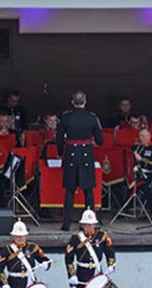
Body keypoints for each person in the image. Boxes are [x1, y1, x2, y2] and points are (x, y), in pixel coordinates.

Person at [56, 90, 104, 231]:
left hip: (70, 153)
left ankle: (66, 224)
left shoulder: (66, 117)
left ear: (72, 102)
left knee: (69, 190)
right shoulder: (92, 117)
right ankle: (90, 223)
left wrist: (60, 153)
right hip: (86, 154)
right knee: (88, 190)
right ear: (85, 101)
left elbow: (58, 139)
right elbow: (100, 140)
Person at [130, 127, 152, 214]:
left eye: (146, 136)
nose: (144, 138)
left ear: (150, 136)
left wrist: (142, 159)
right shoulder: (137, 147)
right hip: (136, 173)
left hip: (148, 176)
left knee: (146, 189)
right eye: (142, 136)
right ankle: (126, 208)